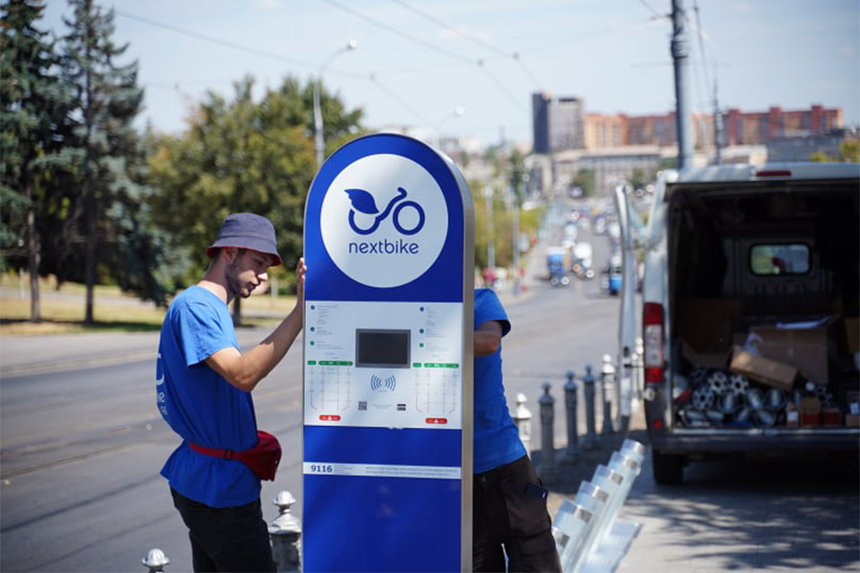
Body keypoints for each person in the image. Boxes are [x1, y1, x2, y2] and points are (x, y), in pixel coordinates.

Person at [155, 213, 305, 572]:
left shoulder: (211, 308)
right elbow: (243, 374)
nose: (264, 275)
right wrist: (301, 312)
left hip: (219, 480)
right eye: (258, 262)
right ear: (230, 252)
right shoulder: (196, 307)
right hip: (216, 488)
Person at [472, 287, 561, 572]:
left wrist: (417, 339)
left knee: (538, 563)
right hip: (458, 480)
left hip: (506, 468)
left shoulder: (479, 300)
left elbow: (489, 340)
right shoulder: (410, 308)